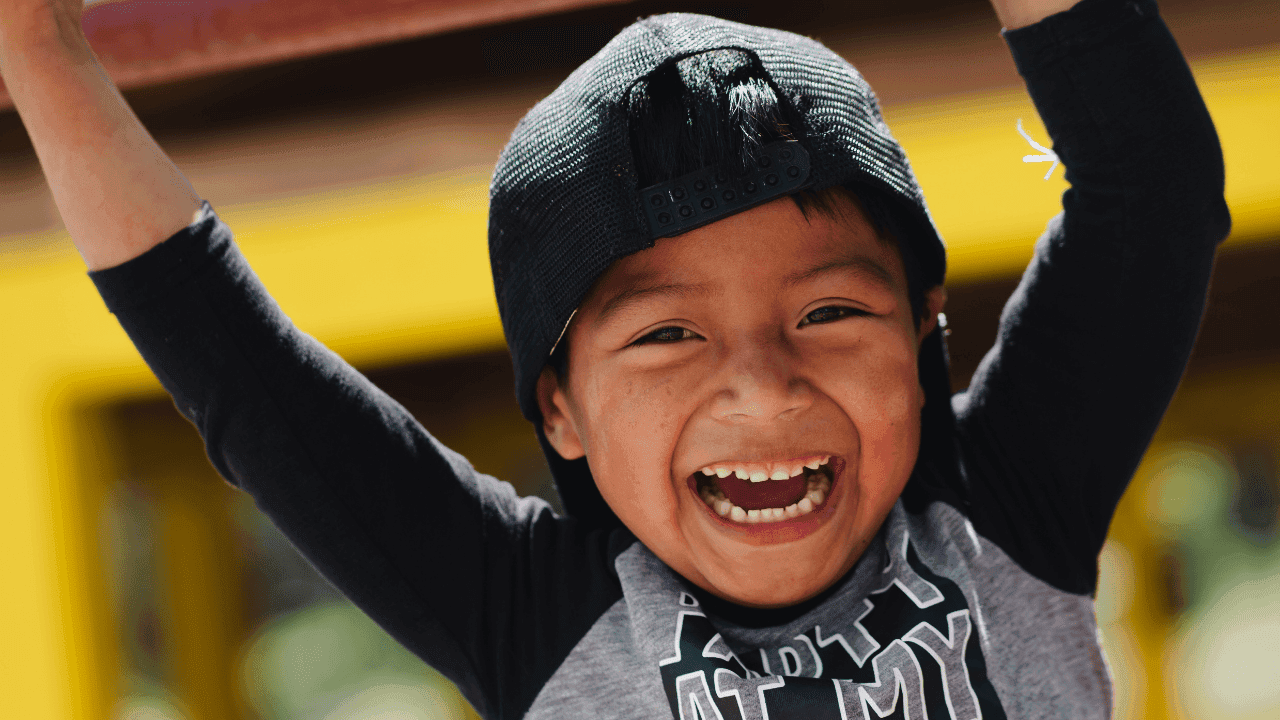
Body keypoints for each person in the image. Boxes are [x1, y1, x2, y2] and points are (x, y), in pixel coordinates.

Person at [0, 0, 1229, 717]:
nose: (759, 385)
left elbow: (1152, 192)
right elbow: (243, 379)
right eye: (666, 335)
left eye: (827, 316)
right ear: (561, 408)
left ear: (919, 333)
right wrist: (40, 54)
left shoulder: (995, 517)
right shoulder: (541, 614)